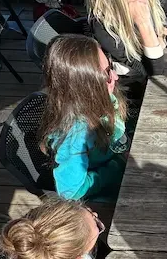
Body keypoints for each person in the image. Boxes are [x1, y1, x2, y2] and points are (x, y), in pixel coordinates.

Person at [40, 34, 128, 201]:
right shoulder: (75, 135)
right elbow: (71, 193)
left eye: (111, 67)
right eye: (107, 73)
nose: (115, 77)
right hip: (110, 195)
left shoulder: (99, 99)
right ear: (87, 86)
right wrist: (115, 168)